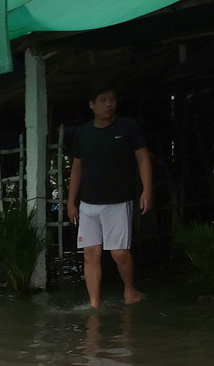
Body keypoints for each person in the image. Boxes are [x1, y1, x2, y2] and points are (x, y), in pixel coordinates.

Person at [67, 87, 152, 308]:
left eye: (112, 100)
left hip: (118, 201)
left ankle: (129, 290)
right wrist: (70, 202)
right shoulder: (83, 133)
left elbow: (143, 159)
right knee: (90, 254)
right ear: (91, 104)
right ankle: (95, 303)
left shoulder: (127, 127)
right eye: (103, 100)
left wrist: (147, 189)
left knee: (119, 253)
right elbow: (76, 169)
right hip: (88, 204)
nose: (109, 104)